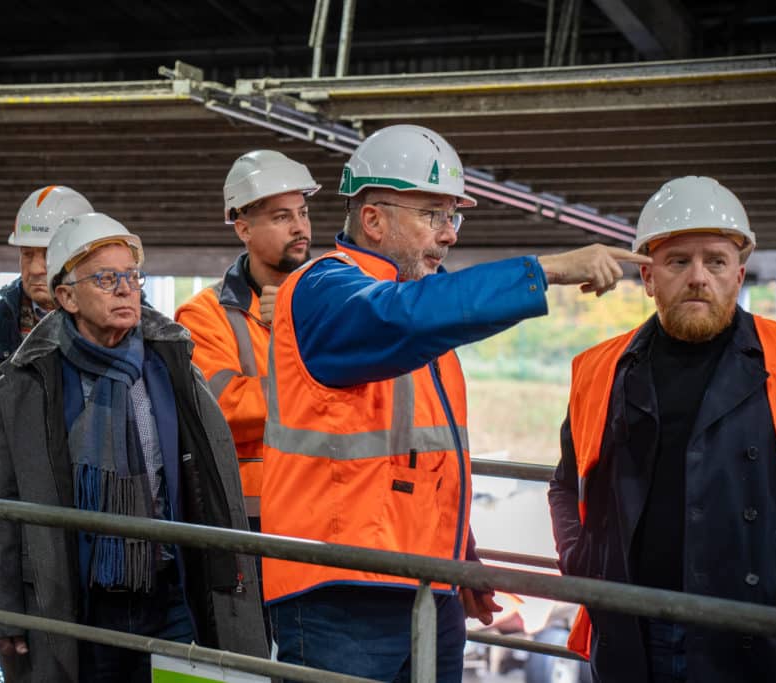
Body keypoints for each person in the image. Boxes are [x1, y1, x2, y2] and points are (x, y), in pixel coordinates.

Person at [260, 123, 649, 682]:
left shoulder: (420, 315)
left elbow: (423, 458)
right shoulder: (324, 291)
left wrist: (458, 552)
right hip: (343, 589)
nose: (449, 235)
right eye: (433, 215)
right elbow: (399, 316)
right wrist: (548, 270)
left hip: (424, 581)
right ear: (373, 219)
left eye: (452, 216)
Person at [0, 213, 267, 682]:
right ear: (66, 296)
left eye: (131, 276)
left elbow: (216, 482)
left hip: (175, 592)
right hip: (78, 596)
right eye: (107, 279)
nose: (126, 289)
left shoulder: (173, 365)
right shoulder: (25, 387)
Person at [548, 176, 776, 682]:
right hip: (632, 630)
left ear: (739, 274)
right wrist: (581, 563)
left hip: (754, 636)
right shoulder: (600, 368)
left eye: (715, 261)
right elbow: (565, 485)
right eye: (679, 261)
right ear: (649, 277)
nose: (699, 277)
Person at [176, 150, 320, 530]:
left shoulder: (332, 303)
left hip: (330, 505)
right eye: (281, 217)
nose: (299, 227)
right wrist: (319, 390)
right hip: (252, 519)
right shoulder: (204, 314)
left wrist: (295, 319)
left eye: (302, 213)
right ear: (243, 229)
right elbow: (223, 411)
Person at [0, 185, 94, 400]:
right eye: (27, 254)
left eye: (48, 254)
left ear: (83, 256)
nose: (36, 269)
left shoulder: (113, 324)